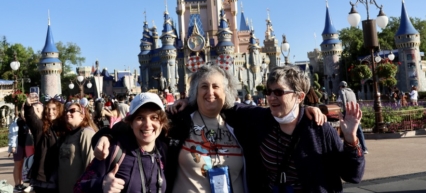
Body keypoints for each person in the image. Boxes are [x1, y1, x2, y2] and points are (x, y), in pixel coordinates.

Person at [92, 65, 326, 193]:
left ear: (227, 93)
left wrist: (305, 109)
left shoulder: (241, 122)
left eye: (216, 87)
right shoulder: (179, 121)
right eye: (204, 86)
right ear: (195, 92)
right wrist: (105, 134)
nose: (210, 92)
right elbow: (143, 127)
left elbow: (277, 111)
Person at [219, 66, 365, 192]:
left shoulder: (318, 128)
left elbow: (353, 175)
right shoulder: (261, 119)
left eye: (279, 92)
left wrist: (351, 139)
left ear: (299, 96)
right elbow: (227, 107)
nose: (271, 97)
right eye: (268, 92)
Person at [75, 93, 168, 193]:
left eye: (154, 117)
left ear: (162, 123)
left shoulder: (163, 151)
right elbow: (78, 188)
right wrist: (101, 185)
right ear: (131, 123)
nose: (147, 124)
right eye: (140, 118)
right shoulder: (115, 150)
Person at [24, 95, 66, 193]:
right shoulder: (41, 127)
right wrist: (28, 106)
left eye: (54, 109)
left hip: (62, 174)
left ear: (60, 109)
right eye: (48, 109)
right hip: (44, 176)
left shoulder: (64, 127)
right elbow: (31, 119)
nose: (50, 112)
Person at [59, 102, 98, 193]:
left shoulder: (86, 133)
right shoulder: (68, 135)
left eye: (72, 111)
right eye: (67, 111)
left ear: (82, 115)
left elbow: (91, 165)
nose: (68, 113)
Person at [337, 81, 369, 154]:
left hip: (348, 112)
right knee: (358, 130)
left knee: (347, 131)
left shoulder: (342, 91)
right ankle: (364, 148)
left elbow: (344, 102)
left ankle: (349, 148)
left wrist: (344, 110)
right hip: (355, 111)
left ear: (341, 86)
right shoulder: (352, 92)